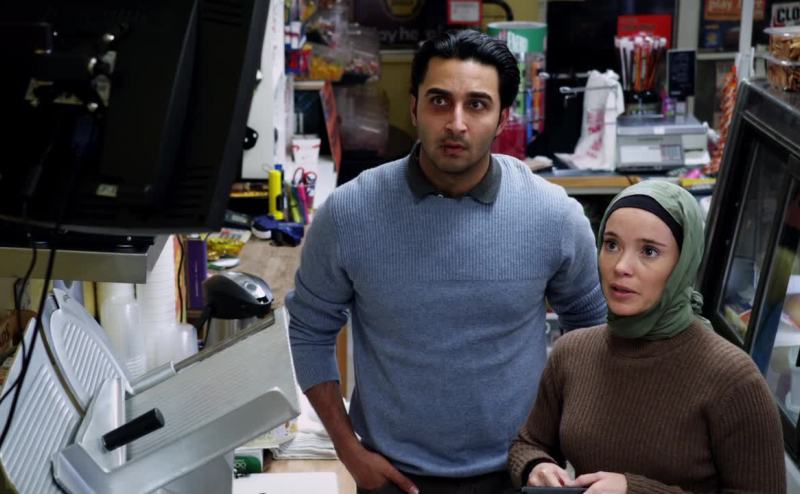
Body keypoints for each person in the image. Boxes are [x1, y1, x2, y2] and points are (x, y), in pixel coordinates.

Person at [286, 29, 607, 494]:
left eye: (477, 104)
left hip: (521, 474)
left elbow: (593, 336)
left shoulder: (553, 215)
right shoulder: (349, 214)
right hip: (392, 478)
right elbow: (309, 330)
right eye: (440, 101)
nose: (456, 123)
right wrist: (348, 450)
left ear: (502, 118)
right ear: (414, 108)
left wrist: (558, 447)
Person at [508, 180, 786, 493]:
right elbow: (528, 443)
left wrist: (635, 490)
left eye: (649, 251)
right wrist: (536, 466)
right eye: (611, 245)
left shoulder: (734, 380)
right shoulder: (572, 352)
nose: (621, 266)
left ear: (683, 264)